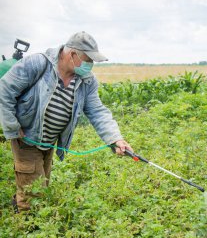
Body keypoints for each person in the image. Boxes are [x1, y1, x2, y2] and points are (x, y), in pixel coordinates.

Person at [0, 31, 133, 213]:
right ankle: (26, 226)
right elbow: (4, 92)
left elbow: (97, 111)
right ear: (72, 55)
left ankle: (19, 202)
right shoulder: (37, 64)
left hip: (49, 141)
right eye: (88, 60)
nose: (90, 65)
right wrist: (12, 127)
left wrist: (116, 139)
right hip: (27, 137)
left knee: (41, 183)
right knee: (34, 193)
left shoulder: (86, 81)